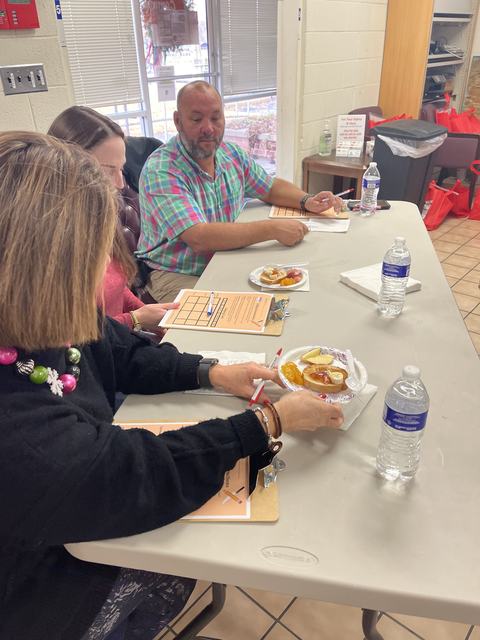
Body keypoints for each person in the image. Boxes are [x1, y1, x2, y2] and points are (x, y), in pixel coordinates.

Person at [0, 131, 344, 640]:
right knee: (184, 553)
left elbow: (117, 347)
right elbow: (140, 473)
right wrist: (268, 422)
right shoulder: (18, 432)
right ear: (50, 266)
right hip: (37, 591)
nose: (107, 266)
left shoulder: (39, 322)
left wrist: (208, 371)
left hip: (60, 515)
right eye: (99, 251)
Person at [136, 80, 344, 303]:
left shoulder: (230, 153)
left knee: (288, 298)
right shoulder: (161, 170)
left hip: (226, 256)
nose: (208, 128)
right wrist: (272, 229)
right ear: (178, 121)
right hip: (176, 272)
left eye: (216, 118)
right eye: (196, 119)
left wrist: (307, 200)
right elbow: (199, 237)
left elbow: (270, 187)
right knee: (236, 318)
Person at [48, 106, 177, 336]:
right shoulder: (51, 241)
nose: (119, 184)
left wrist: (150, 317)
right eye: (107, 170)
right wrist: (136, 320)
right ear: (66, 167)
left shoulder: (96, 218)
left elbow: (116, 287)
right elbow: (67, 336)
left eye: (121, 169)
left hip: (122, 340)